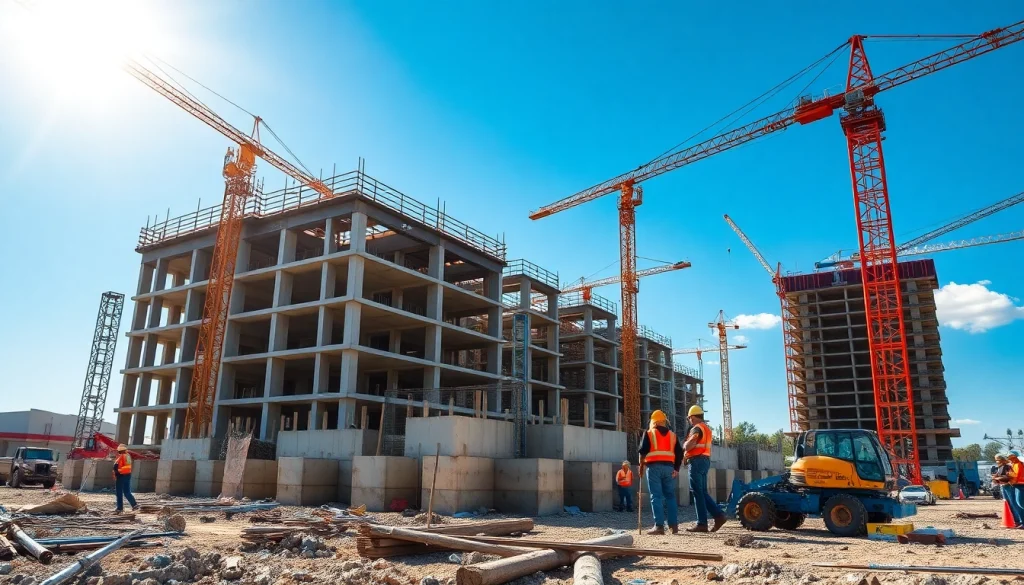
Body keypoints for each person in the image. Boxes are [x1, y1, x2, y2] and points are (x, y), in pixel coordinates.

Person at [638, 410, 684, 535]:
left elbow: (642, 452)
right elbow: (680, 453)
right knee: (670, 496)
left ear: (653, 421)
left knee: (656, 496)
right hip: (669, 469)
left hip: (654, 468)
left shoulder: (649, 433)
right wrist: (676, 469)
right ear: (664, 421)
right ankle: (673, 526)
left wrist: (641, 467)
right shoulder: (673, 435)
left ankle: (659, 526)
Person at [682, 405, 726, 533]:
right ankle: (717, 516)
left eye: (690, 417)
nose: (689, 420)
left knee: (697, 492)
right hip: (705, 460)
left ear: (694, 417)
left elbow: (691, 444)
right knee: (702, 492)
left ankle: (705, 522)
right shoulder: (706, 428)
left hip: (696, 462)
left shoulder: (696, 428)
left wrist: (685, 446)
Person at [993, 454, 1021, 527]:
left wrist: (1001, 478)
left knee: (1013, 503)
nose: (997, 461)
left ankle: (1019, 520)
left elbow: (1011, 476)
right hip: (1003, 486)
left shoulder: (1008, 466)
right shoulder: (1000, 467)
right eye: (996, 460)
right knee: (1007, 503)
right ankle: (1014, 520)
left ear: (1002, 460)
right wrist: (996, 478)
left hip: (1009, 485)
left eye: (998, 460)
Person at [112, 444, 138, 514]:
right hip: (125, 475)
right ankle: (134, 505)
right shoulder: (125, 456)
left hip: (122, 476)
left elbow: (123, 467)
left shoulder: (123, 456)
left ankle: (120, 508)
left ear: (120, 451)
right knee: (126, 492)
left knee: (120, 492)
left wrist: (118, 471)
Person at [1008, 450, 1024, 529]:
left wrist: (1009, 478)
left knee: (1021, 503)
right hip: (1017, 485)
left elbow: (1016, 475)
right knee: (1019, 504)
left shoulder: (1018, 464)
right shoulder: (1014, 464)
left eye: (1011, 457)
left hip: (1021, 485)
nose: (1010, 459)